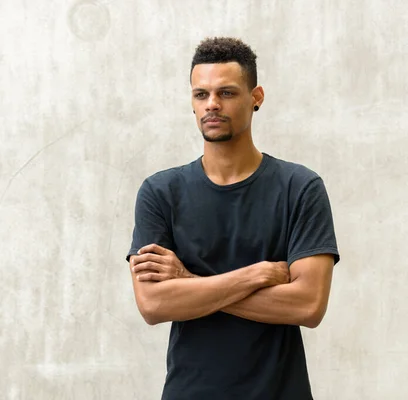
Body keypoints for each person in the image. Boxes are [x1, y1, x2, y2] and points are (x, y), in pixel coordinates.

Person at [125, 37, 340, 400]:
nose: (212, 105)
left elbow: (307, 305)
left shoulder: (300, 187)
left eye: (226, 93)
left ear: (256, 97)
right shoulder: (160, 192)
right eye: (201, 95)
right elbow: (154, 304)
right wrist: (254, 275)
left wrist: (188, 280)